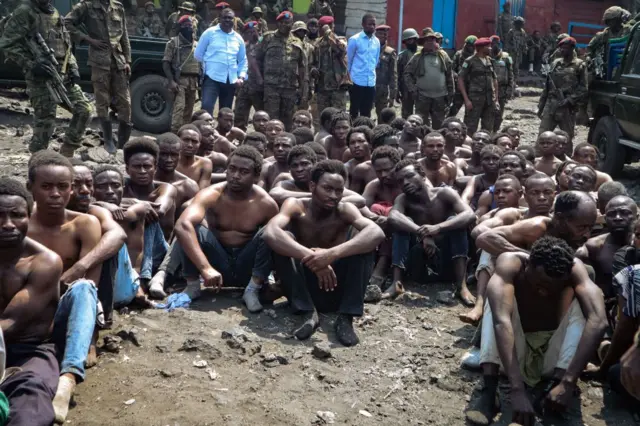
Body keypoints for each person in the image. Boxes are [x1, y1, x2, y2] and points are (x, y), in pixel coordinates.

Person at [465, 236, 606, 425]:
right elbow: (501, 323)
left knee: (589, 307)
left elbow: (599, 321)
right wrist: (517, 390)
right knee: (497, 300)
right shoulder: (510, 263)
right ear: (528, 264)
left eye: (550, 288)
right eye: (539, 284)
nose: (543, 292)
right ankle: (489, 390)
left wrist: (567, 382)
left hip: (552, 361)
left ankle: (553, 392)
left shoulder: (575, 269)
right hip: (512, 356)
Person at [264, 160, 385, 345]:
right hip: (304, 285)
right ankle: (307, 312)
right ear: (313, 186)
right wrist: (314, 259)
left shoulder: (345, 209)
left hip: (337, 285)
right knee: (283, 237)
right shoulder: (296, 205)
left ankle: (346, 317)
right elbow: (270, 233)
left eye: (339, 190)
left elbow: (376, 232)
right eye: (327, 189)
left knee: (364, 243)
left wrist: (331, 254)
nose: (334, 196)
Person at [26, 152, 104, 423]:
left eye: (62, 187)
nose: (55, 194)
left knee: (84, 288)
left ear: (72, 188)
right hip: (26, 315)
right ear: (31, 189)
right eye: (46, 187)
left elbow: (90, 285)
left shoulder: (84, 224)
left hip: (64, 313)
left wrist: (91, 340)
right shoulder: (18, 223)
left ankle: (68, 378)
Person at [176, 145, 279, 312]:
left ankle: (252, 290)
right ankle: (193, 285)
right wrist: (205, 268)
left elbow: (278, 241)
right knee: (187, 225)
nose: (235, 176)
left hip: (247, 267)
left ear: (255, 176)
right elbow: (182, 225)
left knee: (271, 232)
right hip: (216, 264)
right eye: (232, 169)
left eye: (244, 172)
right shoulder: (212, 194)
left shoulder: (266, 203)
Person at [0, 177, 63, 426]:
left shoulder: (45, 262)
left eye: (16, 215)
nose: (7, 224)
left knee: (31, 394)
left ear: (29, 216)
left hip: (29, 350)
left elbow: (10, 322)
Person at [461, 173, 556, 325]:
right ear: (525, 195)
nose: (542, 197)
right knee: (490, 248)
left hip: (541, 276)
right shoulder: (513, 215)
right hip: (507, 269)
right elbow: (478, 232)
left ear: (554, 194)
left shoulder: (559, 221)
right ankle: (480, 303)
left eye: (547, 193)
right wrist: (518, 251)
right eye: (535, 193)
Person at [0, 0, 91, 157]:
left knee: (84, 110)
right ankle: (38, 162)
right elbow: (7, 43)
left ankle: (67, 153)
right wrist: (31, 64)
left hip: (62, 73)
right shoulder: (25, 11)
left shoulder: (53, 11)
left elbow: (66, 44)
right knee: (45, 123)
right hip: (40, 78)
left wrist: (73, 66)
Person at [389, 159, 475, 304]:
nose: (405, 183)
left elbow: (469, 215)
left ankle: (461, 286)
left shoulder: (444, 193)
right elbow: (393, 217)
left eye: (410, 176)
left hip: (448, 261)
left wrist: (438, 228)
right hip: (419, 264)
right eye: (400, 181)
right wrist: (422, 233)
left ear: (422, 175)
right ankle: (396, 282)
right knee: (402, 222)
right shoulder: (403, 200)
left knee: (456, 221)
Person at [66, 0, 132, 153]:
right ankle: (108, 141)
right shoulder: (86, 6)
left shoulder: (118, 7)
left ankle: (122, 144)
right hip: (99, 60)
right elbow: (67, 23)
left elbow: (124, 35)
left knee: (125, 103)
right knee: (102, 101)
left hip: (119, 60)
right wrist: (88, 40)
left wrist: (128, 60)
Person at [67, 160, 127, 329]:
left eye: (88, 184)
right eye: (76, 185)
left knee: (107, 248)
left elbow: (118, 234)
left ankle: (99, 319)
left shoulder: (95, 211)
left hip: (87, 278)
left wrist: (80, 267)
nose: (85, 190)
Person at [477, 190, 598, 258]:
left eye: (590, 227)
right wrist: (529, 256)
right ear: (560, 218)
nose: (587, 235)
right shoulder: (537, 227)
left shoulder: (580, 246)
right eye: (581, 227)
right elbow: (484, 238)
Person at [255, 12, 307, 131]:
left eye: (287, 23)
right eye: (281, 22)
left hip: (290, 88)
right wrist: (259, 77)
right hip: (271, 86)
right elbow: (256, 58)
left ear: (291, 24)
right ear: (278, 23)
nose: (284, 25)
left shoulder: (298, 42)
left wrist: (302, 87)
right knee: (271, 118)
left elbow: (302, 66)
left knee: (288, 119)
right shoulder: (267, 38)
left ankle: (285, 143)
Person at [577, 196, 636, 300]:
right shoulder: (593, 247)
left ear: (637, 216)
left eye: (624, 212)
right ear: (605, 219)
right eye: (611, 214)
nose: (618, 217)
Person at [270, 145, 365, 206]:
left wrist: (329, 200)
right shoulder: (286, 184)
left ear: (314, 164)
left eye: (304, 164)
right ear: (289, 169)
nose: (299, 169)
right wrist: (316, 196)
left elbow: (360, 200)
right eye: (295, 165)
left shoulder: (325, 183)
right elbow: (275, 194)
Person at [123, 138, 178, 243]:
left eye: (147, 166)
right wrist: (135, 203)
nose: (142, 171)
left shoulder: (165, 188)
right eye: (137, 167)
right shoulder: (121, 187)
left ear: (155, 168)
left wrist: (121, 205)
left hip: (160, 253)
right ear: (127, 169)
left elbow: (158, 210)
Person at [195, 7, 247, 113]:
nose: (227, 20)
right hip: (211, 78)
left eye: (230, 18)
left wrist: (241, 77)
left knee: (225, 113)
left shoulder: (238, 38)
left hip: (230, 80)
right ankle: (205, 129)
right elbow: (198, 54)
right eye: (225, 18)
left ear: (234, 20)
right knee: (206, 108)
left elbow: (243, 60)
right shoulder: (209, 33)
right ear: (219, 19)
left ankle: (222, 130)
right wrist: (210, 65)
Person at [538, 37, 587, 144]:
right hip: (551, 105)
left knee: (566, 139)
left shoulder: (579, 65)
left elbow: (583, 88)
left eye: (565, 48)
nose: (562, 50)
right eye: (561, 48)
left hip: (567, 108)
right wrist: (541, 106)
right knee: (542, 136)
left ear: (572, 48)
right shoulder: (555, 63)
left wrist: (570, 100)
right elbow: (547, 86)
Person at [404, 29, 453, 130]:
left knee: (439, 125)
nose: (430, 42)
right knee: (422, 125)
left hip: (440, 97)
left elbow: (449, 75)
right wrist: (413, 90)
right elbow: (407, 74)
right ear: (423, 43)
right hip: (422, 97)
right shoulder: (417, 57)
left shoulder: (443, 56)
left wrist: (451, 94)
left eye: (433, 40)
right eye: (427, 40)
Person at [163, 16, 200, 134]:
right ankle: (174, 133)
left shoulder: (197, 44)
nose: (189, 28)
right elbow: (166, 63)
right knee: (179, 108)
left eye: (191, 25)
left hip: (193, 81)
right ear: (181, 27)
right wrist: (171, 81)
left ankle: (184, 134)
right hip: (180, 80)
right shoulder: (173, 42)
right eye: (186, 25)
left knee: (189, 110)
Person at [311, 16, 349, 124]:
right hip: (322, 87)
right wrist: (313, 70)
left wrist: (329, 33)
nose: (321, 30)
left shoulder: (340, 40)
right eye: (320, 27)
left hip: (337, 87)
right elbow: (313, 62)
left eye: (325, 27)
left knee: (339, 117)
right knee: (323, 117)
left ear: (332, 26)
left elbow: (341, 49)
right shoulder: (317, 43)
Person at [458, 38, 499, 134]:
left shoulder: (489, 61)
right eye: (488, 47)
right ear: (481, 48)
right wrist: (466, 100)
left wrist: (496, 100)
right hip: (475, 100)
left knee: (488, 128)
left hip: (489, 100)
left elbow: (495, 79)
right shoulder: (470, 61)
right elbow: (460, 79)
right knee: (470, 128)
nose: (490, 48)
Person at [154, 133, 199, 211]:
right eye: (164, 154)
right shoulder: (142, 179)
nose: (169, 160)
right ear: (155, 154)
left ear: (180, 155)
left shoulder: (188, 186)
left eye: (174, 155)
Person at [347, 13, 380, 118]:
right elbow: (348, 60)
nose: (372, 27)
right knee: (354, 111)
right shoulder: (354, 39)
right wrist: (348, 80)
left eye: (374, 24)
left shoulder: (377, 41)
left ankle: (365, 132)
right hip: (356, 81)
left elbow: (376, 60)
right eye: (369, 24)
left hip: (370, 82)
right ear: (363, 24)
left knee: (367, 112)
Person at [233, 21, 263, 131]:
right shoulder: (242, 48)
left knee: (262, 116)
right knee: (239, 115)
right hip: (244, 87)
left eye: (253, 31)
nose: (252, 34)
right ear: (244, 35)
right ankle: (239, 138)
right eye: (248, 32)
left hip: (259, 87)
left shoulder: (264, 46)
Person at [587, 6, 631, 80]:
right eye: (608, 21)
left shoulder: (628, 31)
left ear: (618, 19)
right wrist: (589, 57)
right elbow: (590, 48)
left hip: (624, 67)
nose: (610, 23)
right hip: (607, 67)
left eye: (612, 20)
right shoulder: (603, 35)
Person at [461, 144, 503, 210]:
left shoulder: (505, 180)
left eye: (495, 158)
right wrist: (466, 211)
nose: (491, 162)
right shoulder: (477, 179)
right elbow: (466, 198)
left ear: (501, 161)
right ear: (481, 161)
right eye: (487, 159)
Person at [174, 124, 213, 190]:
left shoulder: (205, 163)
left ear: (199, 144)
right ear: (177, 140)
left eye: (194, 141)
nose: (190, 145)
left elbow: (202, 193)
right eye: (186, 140)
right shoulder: (169, 161)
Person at [449, 35, 477, 118]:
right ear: (466, 44)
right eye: (469, 45)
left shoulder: (477, 56)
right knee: (454, 108)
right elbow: (452, 69)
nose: (471, 47)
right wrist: (456, 76)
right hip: (460, 86)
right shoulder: (458, 54)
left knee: (470, 111)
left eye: (473, 45)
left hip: (472, 87)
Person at [373, 25, 397, 119]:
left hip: (382, 89)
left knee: (382, 115)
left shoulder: (390, 52)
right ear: (376, 34)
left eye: (385, 34)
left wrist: (392, 95)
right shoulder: (370, 49)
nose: (383, 36)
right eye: (380, 34)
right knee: (365, 113)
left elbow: (393, 75)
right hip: (369, 86)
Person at [490, 35, 514, 131]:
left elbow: (511, 75)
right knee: (488, 113)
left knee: (499, 113)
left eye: (496, 42)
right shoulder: (486, 56)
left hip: (502, 90)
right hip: (489, 89)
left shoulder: (506, 57)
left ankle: (495, 131)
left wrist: (510, 90)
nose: (494, 45)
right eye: (492, 43)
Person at [291, 21, 315, 110]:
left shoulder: (309, 47)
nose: (301, 33)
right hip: (291, 81)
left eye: (303, 31)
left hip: (305, 81)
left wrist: (311, 86)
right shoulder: (289, 45)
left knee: (303, 108)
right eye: (299, 31)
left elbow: (311, 66)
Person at [397, 28, 419, 118]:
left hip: (421, 87)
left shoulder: (423, 53)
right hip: (406, 88)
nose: (410, 42)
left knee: (421, 113)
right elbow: (398, 74)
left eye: (411, 39)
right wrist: (397, 91)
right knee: (406, 113)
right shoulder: (402, 56)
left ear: (415, 39)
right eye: (407, 40)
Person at [505, 16, 527, 81]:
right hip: (512, 51)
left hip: (519, 52)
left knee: (517, 67)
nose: (522, 25)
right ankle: (509, 80)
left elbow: (524, 41)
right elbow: (507, 42)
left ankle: (515, 81)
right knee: (510, 66)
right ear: (517, 23)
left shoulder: (523, 32)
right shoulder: (511, 31)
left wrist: (525, 49)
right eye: (520, 24)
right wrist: (507, 51)